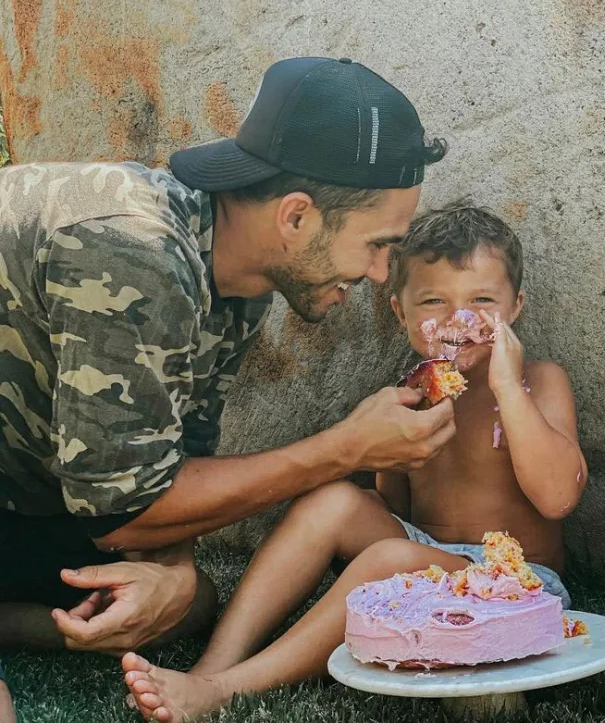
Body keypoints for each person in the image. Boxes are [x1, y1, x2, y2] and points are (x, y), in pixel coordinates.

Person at [0, 56, 454, 655]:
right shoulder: (135, 251)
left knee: (189, 602)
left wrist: (173, 574)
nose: (377, 274)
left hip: (24, 500)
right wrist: (345, 447)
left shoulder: (241, 283)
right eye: (376, 245)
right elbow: (123, 512)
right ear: (295, 215)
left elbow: (175, 463)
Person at [120, 203, 588, 721]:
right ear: (399, 311)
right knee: (333, 501)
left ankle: (229, 688)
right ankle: (211, 664)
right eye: (434, 301)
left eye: (481, 300)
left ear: (515, 307)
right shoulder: (413, 393)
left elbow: (558, 497)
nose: (458, 318)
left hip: (520, 584)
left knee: (390, 559)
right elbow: (396, 511)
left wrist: (505, 384)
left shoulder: (538, 382)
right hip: (426, 556)